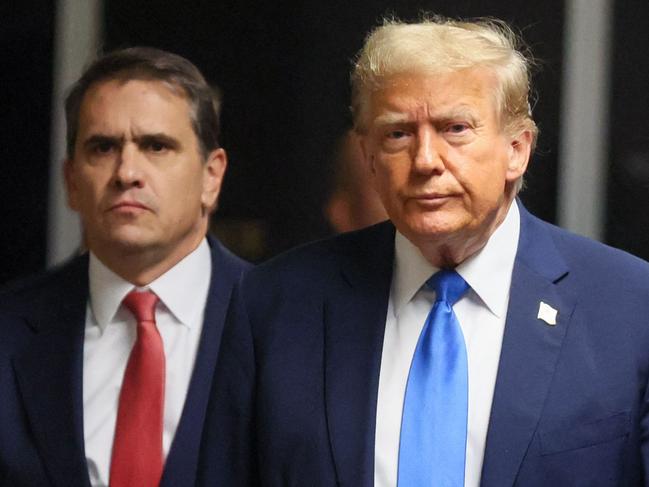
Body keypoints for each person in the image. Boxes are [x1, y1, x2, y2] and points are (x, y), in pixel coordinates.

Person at [197, 16, 649, 487]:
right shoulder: (275, 306)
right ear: (369, 157)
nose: (426, 160)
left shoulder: (629, 308)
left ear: (517, 149)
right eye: (397, 134)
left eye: (455, 128)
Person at [0, 47, 250, 487]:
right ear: (71, 182)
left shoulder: (286, 324)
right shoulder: (9, 332)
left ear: (212, 177)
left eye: (156, 146)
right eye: (103, 147)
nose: (126, 172)